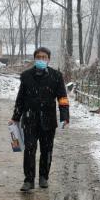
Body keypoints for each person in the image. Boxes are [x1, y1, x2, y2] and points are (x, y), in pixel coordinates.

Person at [9, 47, 70, 191]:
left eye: (44, 57)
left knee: (46, 150)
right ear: (34, 59)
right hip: (29, 120)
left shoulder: (56, 76)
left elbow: (62, 98)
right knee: (29, 150)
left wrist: (65, 116)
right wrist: (15, 117)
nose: (41, 59)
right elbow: (20, 99)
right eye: (38, 57)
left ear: (48, 59)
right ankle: (29, 180)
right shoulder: (26, 76)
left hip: (48, 120)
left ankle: (44, 177)